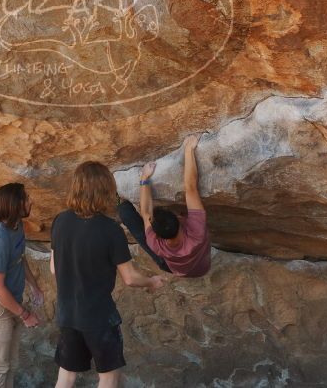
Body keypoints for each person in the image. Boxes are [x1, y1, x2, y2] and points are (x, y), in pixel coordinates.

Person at [50, 161, 166, 388]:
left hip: (68, 314)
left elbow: (54, 268)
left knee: (66, 375)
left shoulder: (60, 221)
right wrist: (151, 281)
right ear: (106, 189)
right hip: (99, 317)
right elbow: (130, 278)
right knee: (108, 377)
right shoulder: (111, 230)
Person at [0, 183, 45, 388]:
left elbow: (20, 258)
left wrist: (34, 286)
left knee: (10, 365)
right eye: (26, 198)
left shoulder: (17, 226)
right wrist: (25, 314)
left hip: (8, 303)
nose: (30, 201)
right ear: (16, 205)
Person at [118, 134, 211, 278]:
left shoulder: (155, 243)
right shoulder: (196, 233)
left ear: (156, 233)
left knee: (124, 211)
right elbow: (191, 188)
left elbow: (146, 213)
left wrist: (144, 178)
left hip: (172, 266)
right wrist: (188, 150)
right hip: (201, 267)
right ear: (179, 219)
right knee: (126, 212)